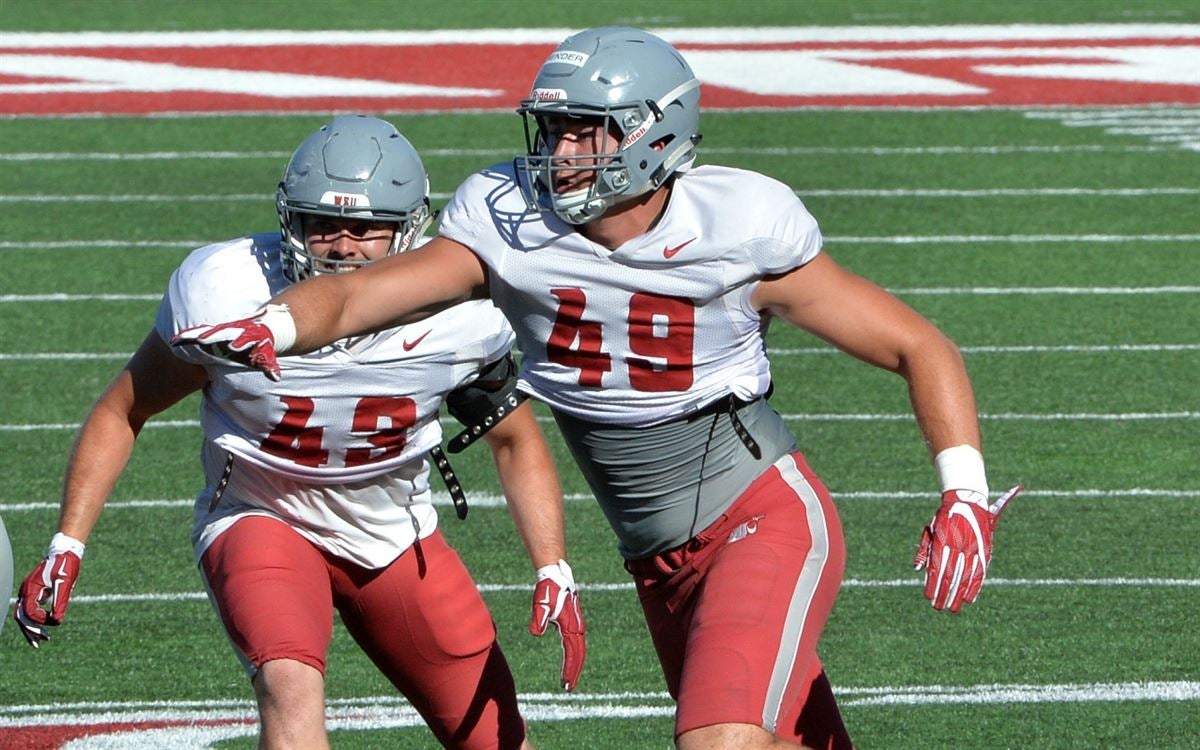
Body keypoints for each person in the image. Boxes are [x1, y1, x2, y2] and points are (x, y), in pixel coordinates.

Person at [172, 28, 1021, 750]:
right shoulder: (511, 225)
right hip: (654, 556)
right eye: (554, 130)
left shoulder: (737, 226)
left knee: (716, 735)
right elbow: (360, 293)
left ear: (656, 135)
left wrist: (964, 493)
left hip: (760, 516)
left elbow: (918, 343)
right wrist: (277, 325)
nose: (562, 153)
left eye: (588, 132)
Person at [12, 115, 585, 750]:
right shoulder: (230, 293)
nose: (342, 247)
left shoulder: (463, 315)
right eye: (324, 224)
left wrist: (551, 563)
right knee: (290, 688)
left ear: (410, 229)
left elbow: (513, 437)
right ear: (291, 219)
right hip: (262, 514)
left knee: (495, 735)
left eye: (367, 228)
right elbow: (125, 408)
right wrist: (69, 542)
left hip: (392, 528)